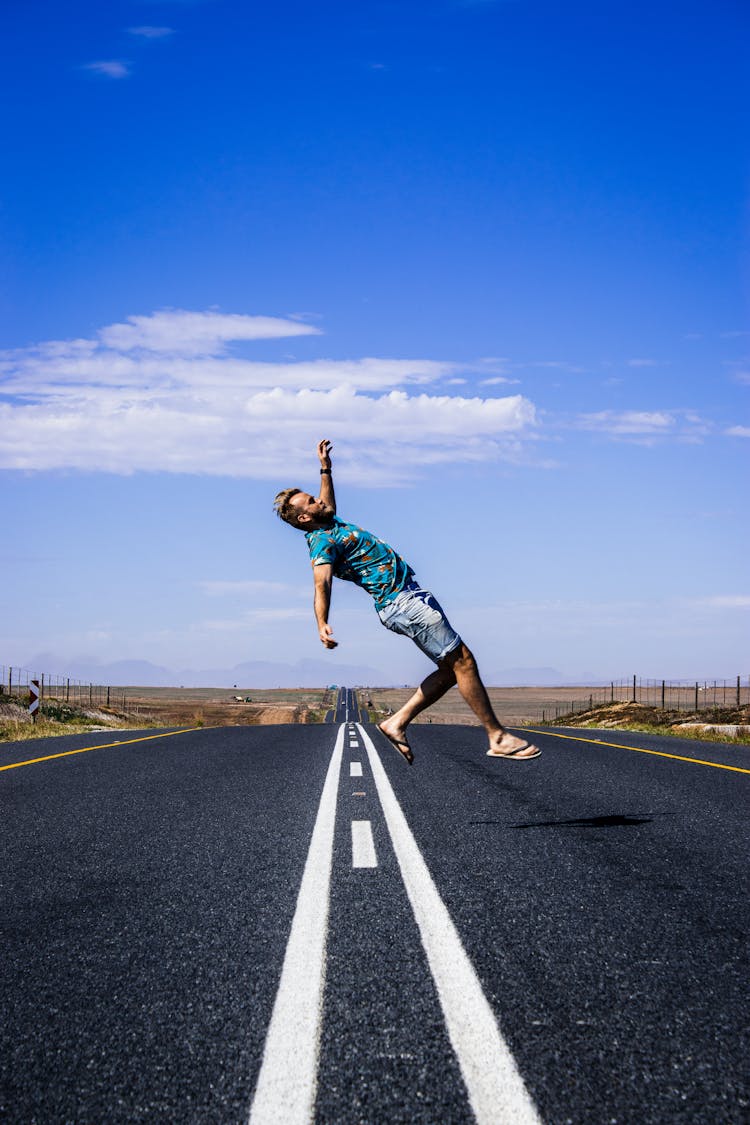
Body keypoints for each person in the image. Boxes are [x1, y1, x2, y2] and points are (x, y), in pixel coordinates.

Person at [273, 439, 540, 764]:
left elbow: (328, 502)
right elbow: (321, 584)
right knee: (464, 663)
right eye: (312, 501)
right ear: (304, 518)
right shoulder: (321, 542)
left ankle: (396, 723)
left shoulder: (329, 521)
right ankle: (496, 736)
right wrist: (322, 623)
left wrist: (325, 468)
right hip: (400, 602)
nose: (320, 500)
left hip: (408, 597)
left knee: (451, 670)